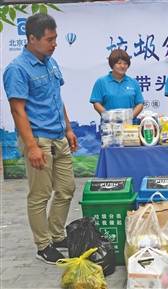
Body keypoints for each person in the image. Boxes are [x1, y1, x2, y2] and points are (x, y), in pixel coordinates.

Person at [3, 13, 77, 264]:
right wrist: (32, 146)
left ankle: (57, 235)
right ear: (32, 38)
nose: (54, 43)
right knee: (40, 195)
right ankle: (43, 244)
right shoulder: (17, 69)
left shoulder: (51, 62)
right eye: (49, 39)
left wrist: (68, 129)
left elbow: (57, 98)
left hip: (59, 136)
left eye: (55, 38)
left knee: (66, 189)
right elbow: (17, 110)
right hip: (38, 140)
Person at [90, 48, 144, 121]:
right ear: (112, 64)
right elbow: (96, 103)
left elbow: (140, 103)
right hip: (109, 127)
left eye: (125, 63)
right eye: (119, 63)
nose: (122, 66)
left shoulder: (133, 82)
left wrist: (129, 117)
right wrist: (110, 117)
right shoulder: (101, 82)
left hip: (129, 127)